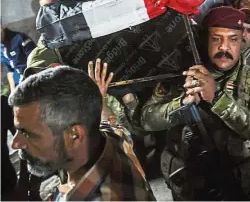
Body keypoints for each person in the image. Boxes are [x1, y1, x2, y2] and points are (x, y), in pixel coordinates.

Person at [140, 7, 250, 200]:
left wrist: (218, 99)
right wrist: (181, 105)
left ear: (242, 41)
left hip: (235, 180)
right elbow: (146, 120)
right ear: (205, 39)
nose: (224, 48)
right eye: (216, 39)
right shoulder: (182, 70)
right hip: (187, 180)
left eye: (233, 39)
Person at [9, 64, 155, 201]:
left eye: (27, 133)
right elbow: (111, 125)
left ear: (75, 135)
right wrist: (99, 99)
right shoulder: (113, 140)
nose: (15, 143)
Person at [1, 25, 36, 92]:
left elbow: (34, 59)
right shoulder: (1, 48)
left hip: (31, 78)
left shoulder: (20, 37)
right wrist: (12, 91)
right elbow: (10, 70)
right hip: (19, 84)